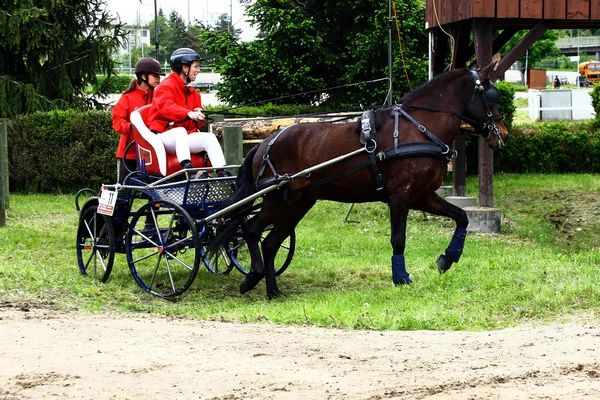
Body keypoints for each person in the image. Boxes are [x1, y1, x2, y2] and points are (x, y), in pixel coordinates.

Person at [147, 47, 227, 175]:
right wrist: (188, 113)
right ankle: (188, 170)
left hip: (183, 139)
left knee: (209, 137)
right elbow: (166, 107)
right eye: (196, 66)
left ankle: (222, 172)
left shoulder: (194, 94)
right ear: (184, 68)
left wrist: (199, 116)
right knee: (180, 132)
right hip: (163, 137)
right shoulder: (165, 86)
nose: (198, 70)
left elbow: (197, 124)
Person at [112, 57, 164, 183]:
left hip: (151, 152)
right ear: (144, 76)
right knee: (124, 190)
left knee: (155, 189)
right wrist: (132, 127)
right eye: (155, 75)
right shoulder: (127, 98)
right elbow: (117, 122)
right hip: (129, 153)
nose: (159, 78)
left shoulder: (158, 97)